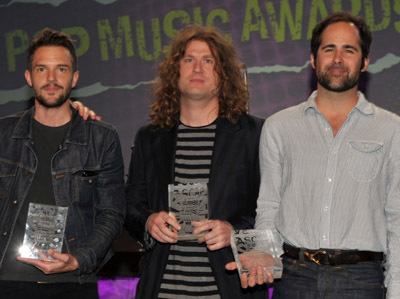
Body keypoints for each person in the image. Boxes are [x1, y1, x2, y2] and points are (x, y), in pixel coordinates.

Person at [227, 11, 400, 298]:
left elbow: (397, 217)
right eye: (328, 48)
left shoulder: (392, 129)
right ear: (313, 58)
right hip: (294, 278)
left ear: (366, 61)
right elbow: (269, 206)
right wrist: (264, 255)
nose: (337, 59)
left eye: (349, 50)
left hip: (362, 281)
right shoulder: (278, 127)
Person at [124, 24, 268, 298]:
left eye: (208, 60)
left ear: (223, 74)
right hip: (163, 290)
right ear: (174, 72)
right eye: (189, 59)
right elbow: (131, 206)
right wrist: (148, 221)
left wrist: (234, 232)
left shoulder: (255, 134)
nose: (198, 68)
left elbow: (273, 210)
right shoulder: (149, 137)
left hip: (229, 288)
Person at [0, 28, 125, 299]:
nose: (52, 79)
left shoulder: (103, 138)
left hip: (74, 282)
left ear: (75, 78)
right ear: (29, 77)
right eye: (42, 69)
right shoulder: (2, 135)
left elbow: (112, 214)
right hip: (7, 281)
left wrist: (79, 259)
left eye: (62, 69)